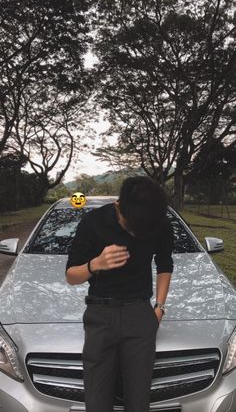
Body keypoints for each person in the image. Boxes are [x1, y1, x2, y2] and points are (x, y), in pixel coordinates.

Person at [65, 176, 174, 412]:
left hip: (140, 313)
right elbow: (71, 276)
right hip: (99, 315)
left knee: (138, 403)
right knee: (96, 403)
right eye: (130, 226)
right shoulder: (93, 222)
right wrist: (95, 264)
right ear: (118, 205)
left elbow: (165, 265)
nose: (135, 234)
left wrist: (160, 308)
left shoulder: (158, 223)